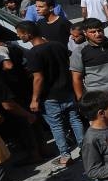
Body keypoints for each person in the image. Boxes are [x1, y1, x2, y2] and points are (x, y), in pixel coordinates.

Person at [19, 21, 85, 167]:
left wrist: (34, 99)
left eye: (20, 34)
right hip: (67, 91)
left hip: (50, 96)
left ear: (28, 34)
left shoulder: (33, 53)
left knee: (57, 126)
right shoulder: (57, 45)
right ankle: (85, 149)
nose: (19, 37)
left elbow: (38, 77)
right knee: (75, 120)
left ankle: (65, 156)